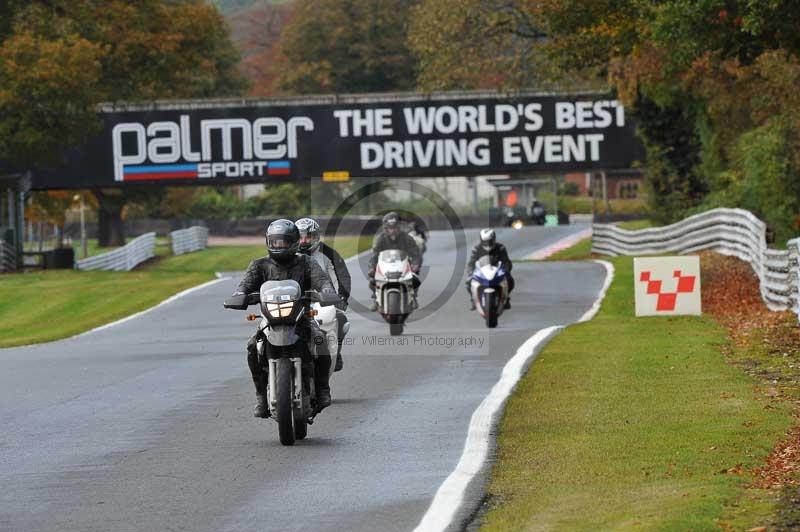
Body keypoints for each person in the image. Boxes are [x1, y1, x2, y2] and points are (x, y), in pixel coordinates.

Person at [232, 219, 337, 419]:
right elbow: (245, 284)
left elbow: (322, 280)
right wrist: (239, 295)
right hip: (269, 320)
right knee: (253, 346)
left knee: (320, 340)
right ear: (268, 242)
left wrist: (327, 291)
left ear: (295, 242)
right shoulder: (259, 265)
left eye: (284, 242)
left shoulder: (306, 262)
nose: (279, 246)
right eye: (275, 242)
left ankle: (323, 388)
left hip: (301, 318)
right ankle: (261, 396)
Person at [295, 217, 351, 372]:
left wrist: (341, 298)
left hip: (324, 300)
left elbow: (343, 277)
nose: (304, 240)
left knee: (341, 318)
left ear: (316, 236)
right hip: (295, 300)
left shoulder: (329, 253)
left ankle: (336, 352)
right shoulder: (288, 254)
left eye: (309, 236)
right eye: (301, 236)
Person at [368, 211, 422, 311]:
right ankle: (376, 299)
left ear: (399, 227)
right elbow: (374, 255)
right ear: (385, 228)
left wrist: (416, 264)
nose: (392, 230)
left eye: (395, 227)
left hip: (404, 266)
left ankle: (413, 296)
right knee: (372, 281)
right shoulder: (381, 239)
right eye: (390, 227)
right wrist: (372, 267)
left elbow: (416, 253)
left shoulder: (407, 238)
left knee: (416, 280)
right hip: (385, 267)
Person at [465, 228, 515, 310]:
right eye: (485, 241)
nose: (488, 244)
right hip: (481, 272)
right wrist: (471, 272)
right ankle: (473, 300)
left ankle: (506, 298)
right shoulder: (476, 249)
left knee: (510, 280)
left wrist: (506, 270)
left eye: (490, 241)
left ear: (494, 239)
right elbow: (471, 263)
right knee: (468, 282)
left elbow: (506, 261)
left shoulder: (501, 248)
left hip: (497, 271)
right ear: (481, 240)